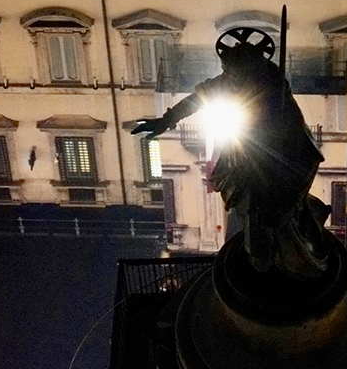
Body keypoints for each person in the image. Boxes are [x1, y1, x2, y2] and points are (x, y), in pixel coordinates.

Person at [130, 26, 332, 277]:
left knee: (273, 212)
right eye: (227, 71)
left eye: (234, 72)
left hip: (285, 158)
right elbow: (196, 100)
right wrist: (166, 119)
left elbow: (283, 124)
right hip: (246, 157)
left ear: (252, 69)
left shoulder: (273, 84)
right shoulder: (231, 82)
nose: (229, 76)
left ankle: (273, 262)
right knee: (253, 212)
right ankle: (263, 260)